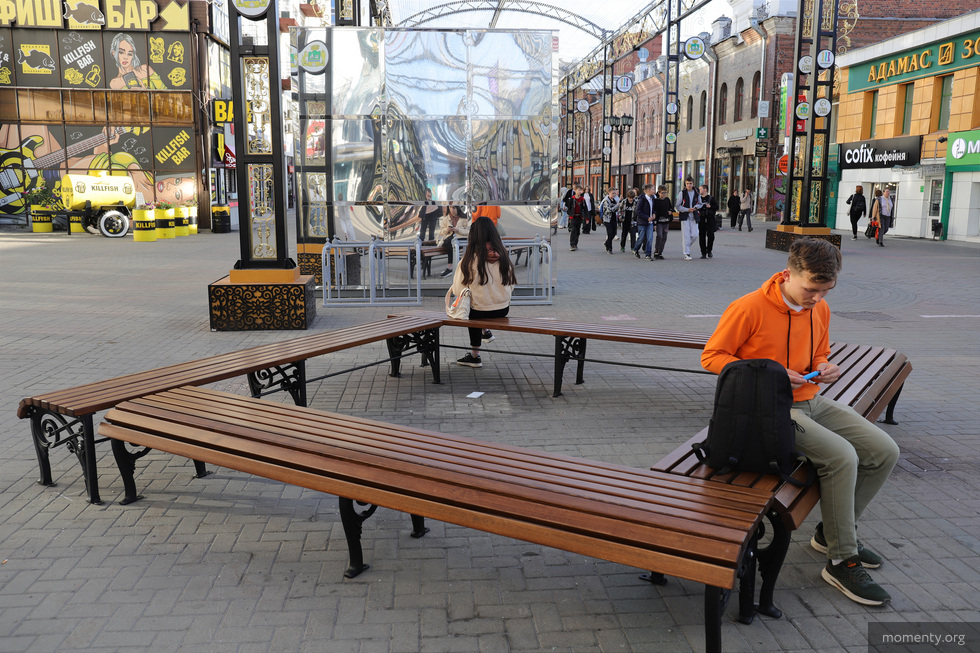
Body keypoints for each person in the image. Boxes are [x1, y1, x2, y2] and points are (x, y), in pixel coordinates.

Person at [702, 238, 899, 606]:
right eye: (812, 289)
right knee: (842, 456)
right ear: (789, 274)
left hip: (812, 400)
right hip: (767, 410)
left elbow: (820, 350)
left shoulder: (820, 309)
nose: (818, 298)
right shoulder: (748, 307)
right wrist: (773, 373)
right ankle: (841, 558)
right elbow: (712, 357)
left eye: (826, 290)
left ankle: (832, 534)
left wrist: (825, 364)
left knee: (884, 450)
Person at [450, 217, 517, 368]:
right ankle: (485, 331)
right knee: (480, 306)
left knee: (473, 311)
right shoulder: (504, 257)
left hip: (479, 311)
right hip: (502, 310)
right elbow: (511, 285)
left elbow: (458, 289)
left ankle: (475, 356)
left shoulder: (469, 260)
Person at [437, 203, 471, 278]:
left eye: (454, 208)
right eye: (451, 208)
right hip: (450, 238)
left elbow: (469, 231)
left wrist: (458, 229)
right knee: (449, 242)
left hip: (461, 238)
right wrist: (447, 229)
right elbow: (441, 231)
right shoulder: (446, 218)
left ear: (458, 208)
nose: (452, 210)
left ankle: (451, 267)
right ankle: (453, 265)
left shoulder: (464, 218)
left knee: (451, 242)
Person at [677, 177, 701, 261]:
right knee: (686, 235)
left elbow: (700, 203)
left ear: (693, 184)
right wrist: (687, 209)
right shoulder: (682, 193)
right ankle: (686, 253)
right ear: (685, 184)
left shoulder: (697, 192)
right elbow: (678, 206)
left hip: (694, 216)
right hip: (685, 216)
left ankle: (686, 247)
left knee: (695, 234)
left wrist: (696, 207)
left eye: (690, 183)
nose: (689, 185)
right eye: (687, 183)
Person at [632, 184, 656, 260]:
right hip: (642, 222)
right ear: (648, 191)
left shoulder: (653, 199)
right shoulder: (642, 199)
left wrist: (654, 214)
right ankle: (636, 249)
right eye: (653, 189)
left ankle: (648, 254)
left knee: (650, 239)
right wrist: (647, 218)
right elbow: (637, 211)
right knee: (641, 238)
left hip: (650, 222)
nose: (654, 191)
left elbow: (654, 208)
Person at [652, 185, 674, 260]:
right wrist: (654, 223)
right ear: (659, 193)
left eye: (665, 193)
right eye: (662, 193)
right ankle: (656, 250)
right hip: (659, 222)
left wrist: (670, 211)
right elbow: (655, 211)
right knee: (659, 236)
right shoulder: (656, 201)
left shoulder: (667, 200)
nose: (663, 194)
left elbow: (671, 208)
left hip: (666, 221)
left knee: (664, 237)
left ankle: (660, 252)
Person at [697, 184, 719, 259]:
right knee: (701, 236)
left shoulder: (711, 198)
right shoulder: (699, 199)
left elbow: (716, 207)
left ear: (705, 189)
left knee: (711, 235)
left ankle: (709, 251)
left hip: (710, 219)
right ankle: (703, 253)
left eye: (700, 189)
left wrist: (710, 207)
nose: (699, 190)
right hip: (701, 219)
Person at [564, 185, 586, 251]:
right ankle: (572, 244)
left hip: (579, 217)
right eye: (578, 190)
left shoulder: (582, 199)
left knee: (578, 231)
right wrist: (570, 215)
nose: (580, 191)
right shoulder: (572, 199)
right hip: (573, 217)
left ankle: (575, 243)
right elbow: (569, 208)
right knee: (573, 230)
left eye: (581, 190)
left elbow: (585, 209)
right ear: (575, 190)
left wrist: (586, 218)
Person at [599, 187, 621, 254]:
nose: (614, 195)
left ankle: (606, 243)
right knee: (610, 233)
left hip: (614, 219)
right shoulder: (606, 200)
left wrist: (619, 206)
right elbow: (609, 210)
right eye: (612, 193)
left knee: (614, 233)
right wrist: (617, 206)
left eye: (615, 193)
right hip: (607, 219)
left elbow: (616, 209)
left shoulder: (614, 200)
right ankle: (609, 248)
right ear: (609, 193)